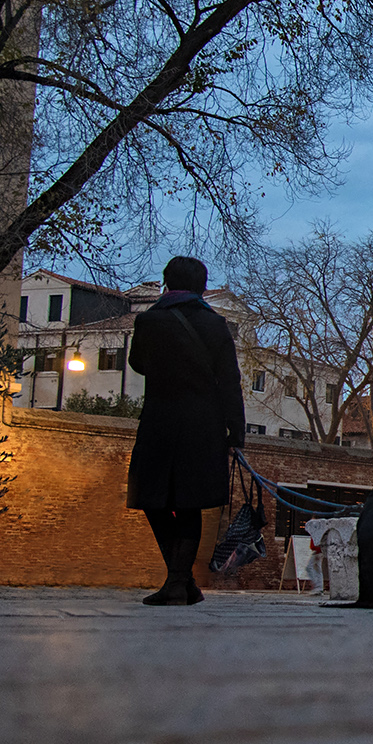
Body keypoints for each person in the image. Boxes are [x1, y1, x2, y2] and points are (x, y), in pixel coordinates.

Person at [126, 256, 246, 606]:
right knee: (189, 504)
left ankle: (178, 581)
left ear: (166, 282)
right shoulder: (215, 325)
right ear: (202, 287)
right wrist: (235, 433)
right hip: (202, 426)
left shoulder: (148, 321)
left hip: (159, 422)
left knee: (155, 500)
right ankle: (181, 581)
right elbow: (231, 383)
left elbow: (137, 364)